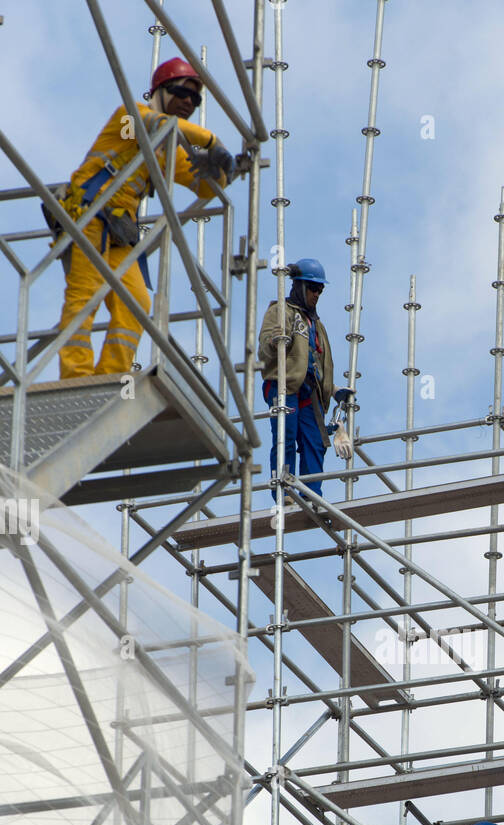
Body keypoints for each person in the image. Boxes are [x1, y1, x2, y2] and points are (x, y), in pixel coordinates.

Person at [55, 58, 236, 379]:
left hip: (121, 229)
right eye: (182, 93)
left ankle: (110, 376)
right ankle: (76, 376)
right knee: (84, 296)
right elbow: (159, 126)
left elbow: (202, 186)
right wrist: (210, 142)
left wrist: (224, 172)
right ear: (160, 92)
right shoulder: (129, 117)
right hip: (89, 214)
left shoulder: (168, 150)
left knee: (135, 302)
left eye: (195, 99)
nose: (188, 103)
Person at [258, 259, 351, 501]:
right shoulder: (280, 311)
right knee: (285, 437)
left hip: (311, 393)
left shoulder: (317, 325)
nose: (317, 294)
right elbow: (264, 347)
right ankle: (284, 490)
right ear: (299, 286)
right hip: (285, 386)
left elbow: (320, 364)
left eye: (320, 289)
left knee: (315, 442)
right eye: (312, 288)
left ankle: (311, 494)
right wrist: (273, 342)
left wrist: (332, 390)